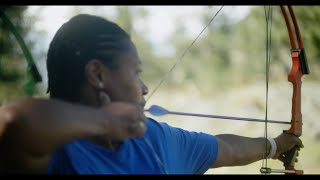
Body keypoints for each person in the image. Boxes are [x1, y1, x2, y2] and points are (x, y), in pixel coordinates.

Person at [0, 14, 303, 174]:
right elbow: (15, 122)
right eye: (136, 72)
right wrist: (105, 121)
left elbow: (226, 149)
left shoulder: (154, 138)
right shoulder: (55, 155)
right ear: (98, 75)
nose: (144, 87)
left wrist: (276, 146)